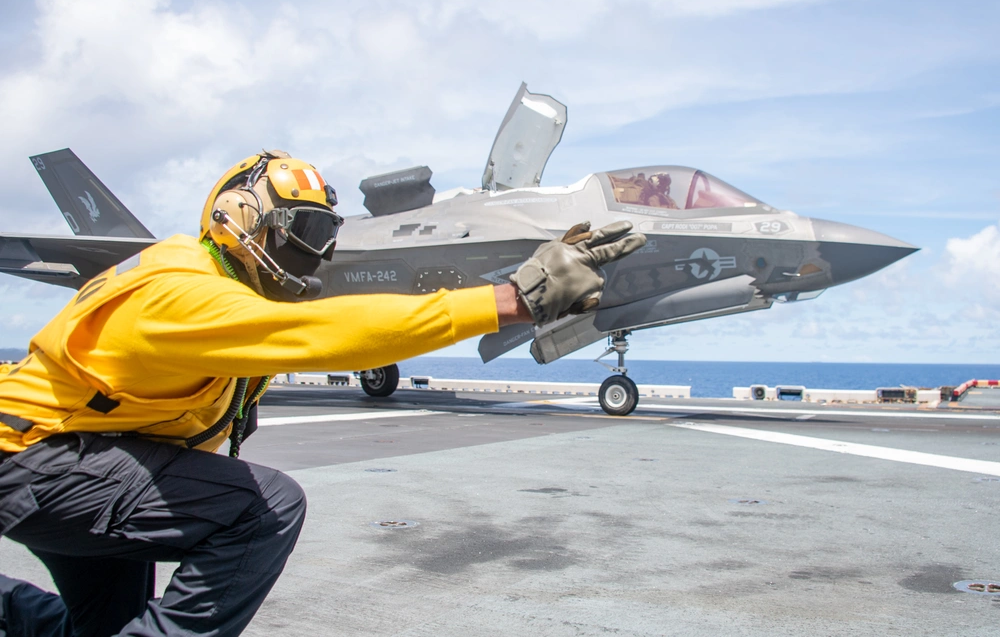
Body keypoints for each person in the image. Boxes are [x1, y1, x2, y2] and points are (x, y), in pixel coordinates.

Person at [0, 150, 645, 637]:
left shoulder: (219, 287)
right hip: (39, 460)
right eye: (302, 232)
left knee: (103, 626)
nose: (314, 255)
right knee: (263, 508)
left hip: (78, 459)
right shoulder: (181, 290)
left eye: (324, 237)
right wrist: (507, 299)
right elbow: (320, 334)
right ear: (245, 220)